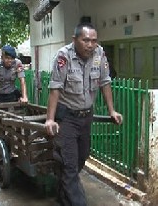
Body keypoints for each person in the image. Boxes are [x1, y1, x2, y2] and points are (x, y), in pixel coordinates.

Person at [44, 23, 123, 206]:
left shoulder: (99, 54)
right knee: (70, 165)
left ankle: (63, 193)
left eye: (93, 40)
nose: (90, 44)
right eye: (85, 40)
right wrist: (50, 119)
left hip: (86, 116)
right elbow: (55, 88)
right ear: (75, 40)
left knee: (82, 156)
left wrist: (111, 110)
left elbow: (105, 82)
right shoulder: (64, 56)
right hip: (67, 117)